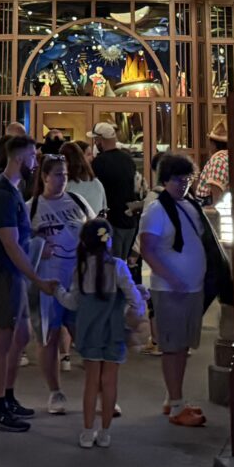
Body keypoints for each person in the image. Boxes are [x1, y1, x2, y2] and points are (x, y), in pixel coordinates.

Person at [0, 134, 60, 432]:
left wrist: (36, 240)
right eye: (31, 156)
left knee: (20, 336)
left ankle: (8, 396)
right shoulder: (2, 193)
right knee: (3, 341)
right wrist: (37, 279)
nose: (35, 162)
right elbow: (10, 244)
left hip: (13, 274)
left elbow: (19, 239)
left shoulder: (13, 189)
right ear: (18, 158)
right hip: (5, 274)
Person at [59, 218, 147, 448]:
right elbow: (133, 298)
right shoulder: (118, 266)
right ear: (109, 241)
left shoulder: (81, 268)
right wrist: (141, 302)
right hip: (114, 332)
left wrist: (56, 290)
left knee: (91, 382)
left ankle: (87, 432)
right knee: (109, 382)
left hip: (89, 333)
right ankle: (105, 433)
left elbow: (72, 302)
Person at [139, 152, 211, 427]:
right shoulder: (157, 210)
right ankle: (176, 405)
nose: (184, 185)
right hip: (171, 290)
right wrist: (173, 278)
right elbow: (147, 249)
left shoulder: (189, 205)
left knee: (182, 346)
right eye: (178, 180)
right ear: (165, 180)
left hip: (190, 288)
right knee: (172, 347)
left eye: (187, 179)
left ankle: (175, 398)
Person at [32, 151, 95, 413]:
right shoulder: (32, 207)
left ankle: (101, 392)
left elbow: (97, 231)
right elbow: (18, 244)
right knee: (49, 336)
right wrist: (38, 247)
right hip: (48, 283)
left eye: (65, 175)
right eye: (58, 175)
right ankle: (55, 392)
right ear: (45, 177)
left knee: (87, 337)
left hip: (78, 280)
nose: (62, 180)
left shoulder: (78, 202)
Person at [91, 121, 142, 273]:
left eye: (96, 140)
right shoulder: (128, 160)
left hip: (112, 222)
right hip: (130, 222)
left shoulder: (99, 163)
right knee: (123, 266)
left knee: (111, 268)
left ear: (100, 140)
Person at [62, 139, 106, 217]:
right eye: (88, 154)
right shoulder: (97, 183)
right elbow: (103, 209)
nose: (92, 158)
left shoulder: (64, 186)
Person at [191, 121, 230, 206]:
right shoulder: (226, 157)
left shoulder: (218, 160)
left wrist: (214, 209)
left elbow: (216, 189)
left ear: (213, 144)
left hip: (208, 203)